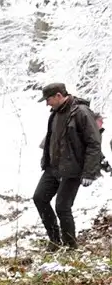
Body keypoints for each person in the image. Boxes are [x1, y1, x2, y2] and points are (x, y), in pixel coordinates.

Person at [34, 83, 102, 250]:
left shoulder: (81, 112)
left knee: (62, 207)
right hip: (53, 167)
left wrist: (89, 172)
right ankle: (55, 241)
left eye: (48, 99)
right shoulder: (55, 113)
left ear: (58, 95)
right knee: (39, 198)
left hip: (73, 169)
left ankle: (70, 246)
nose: (47, 104)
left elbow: (94, 144)